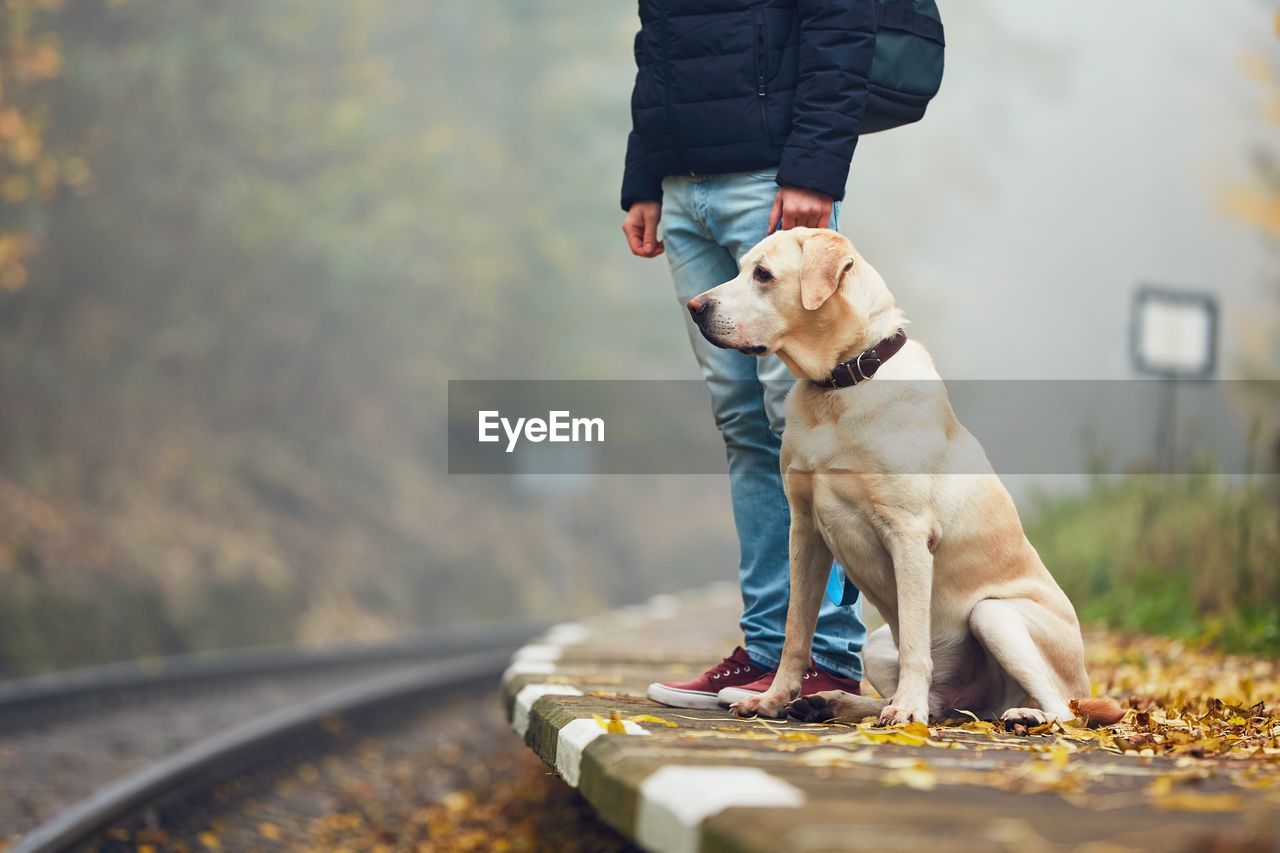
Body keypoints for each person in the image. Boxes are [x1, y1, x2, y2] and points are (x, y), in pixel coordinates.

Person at [621, 0, 877, 709]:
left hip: (771, 184)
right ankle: (768, 650)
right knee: (742, 420)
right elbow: (659, 47)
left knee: (796, 421)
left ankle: (824, 653)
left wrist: (814, 168)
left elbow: (842, 25)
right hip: (684, 191)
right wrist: (645, 177)